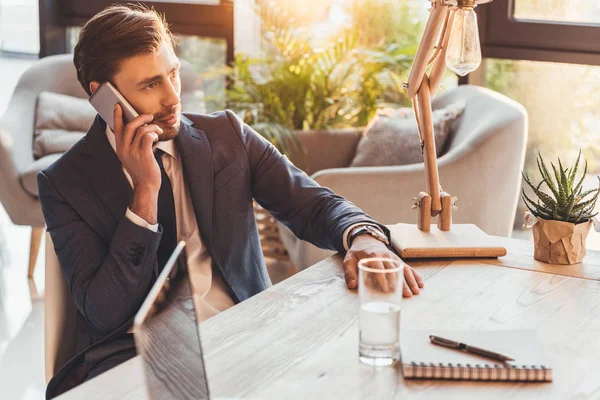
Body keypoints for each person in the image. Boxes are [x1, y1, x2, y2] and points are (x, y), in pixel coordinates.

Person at [38, 4, 424, 398]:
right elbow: (104, 313)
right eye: (151, 84)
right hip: (134, 357)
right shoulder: (64, 183)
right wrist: (145, 194)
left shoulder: (226, 136)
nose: (174, 97)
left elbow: (312, 204)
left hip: (249, 333)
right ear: (102, 95)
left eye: (172, 73)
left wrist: (363, 236)